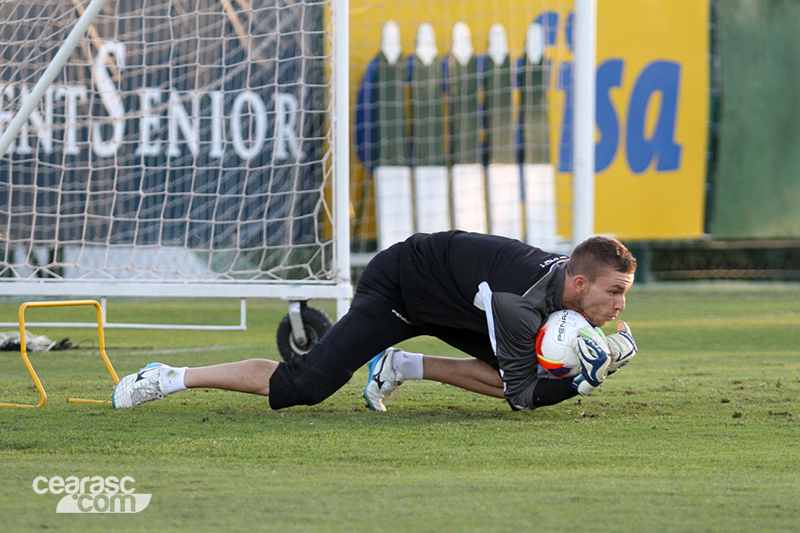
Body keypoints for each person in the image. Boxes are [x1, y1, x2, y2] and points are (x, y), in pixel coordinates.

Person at [112, 230, 638, 411]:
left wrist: (596, 362)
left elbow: (537, 371)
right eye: (613, 293)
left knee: (518, 373)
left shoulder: (564, 295)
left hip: (457, 297)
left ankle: (402, 366)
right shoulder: (521, 305)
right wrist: (585, 381)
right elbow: (526, 397)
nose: (618, 308)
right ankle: (168, 377)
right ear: (578, 283)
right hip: (403, 284)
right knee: (306, 386)